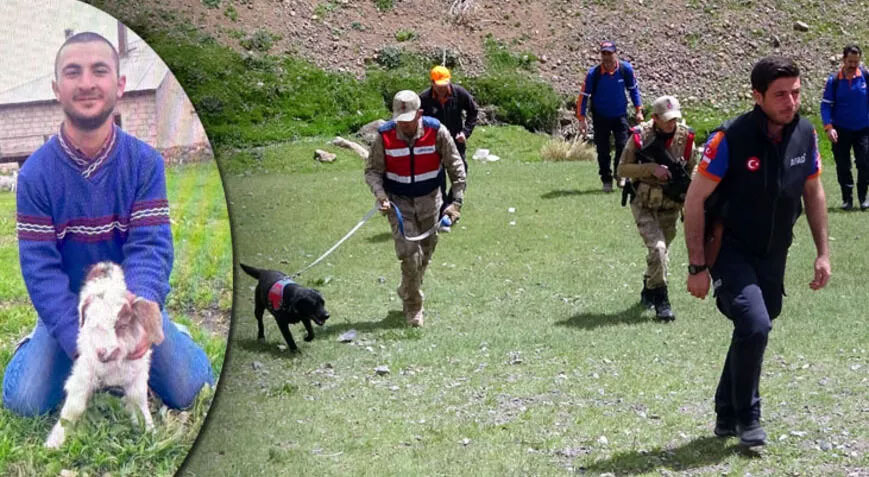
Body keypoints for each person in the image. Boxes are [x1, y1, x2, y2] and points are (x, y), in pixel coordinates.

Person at [3, 32, 214, 416]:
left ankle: (173, 330)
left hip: (130, 307)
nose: (86, 83)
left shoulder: (144, 164)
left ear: (119, 85)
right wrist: (81, 340)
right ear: (56, 88)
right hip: (73, 309)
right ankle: (40, 338)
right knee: (24, 401)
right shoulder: (35, 175)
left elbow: (150, 247)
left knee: (190, 388)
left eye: (99, 71)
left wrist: (138, 319)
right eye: (73, 72)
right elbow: (40, 269)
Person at [684, 56, 830, 447]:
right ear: (757, 96)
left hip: (775, 250)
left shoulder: (805, 134)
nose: (791, 102)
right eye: (780, 95)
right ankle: (749, 416)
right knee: (755, 325)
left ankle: (725, 410)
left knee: (756, 326)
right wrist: (697, 266)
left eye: (796, 93)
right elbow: (693, 201)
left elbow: (813, 192)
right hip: (730, 249)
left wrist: (823, 252)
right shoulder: (729, 138)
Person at [364, 90, 466, 327]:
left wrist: (456, 201)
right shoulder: (385, 136)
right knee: (410, 255)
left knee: (425, 254)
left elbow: (455, 166)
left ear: (419, 113)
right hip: (398, 203)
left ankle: (407, 288)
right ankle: (413, 308)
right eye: (400, 121)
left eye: (409, 120)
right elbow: (373, 171)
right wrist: (380, 195)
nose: (405, 126)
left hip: (431, 200)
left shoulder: (436, 131)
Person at [617, 95, 696, 321]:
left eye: (675, 119)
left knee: (660, 253)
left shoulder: (686, 137)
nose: (672, 124)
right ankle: (662, 300)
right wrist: (650, 168)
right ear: (655, 118)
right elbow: (622, 169)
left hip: (671, 205)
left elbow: (695, 169)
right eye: (667, 120)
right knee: (658, 249)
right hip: (644, 203)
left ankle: (648, 287)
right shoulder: (640, 136)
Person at [576, 40, 644, 192]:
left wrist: (639, 109)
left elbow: (633, 90)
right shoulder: (594, 74)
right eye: (603, 53)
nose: (606, 57)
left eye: (609, 53)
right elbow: (583, 96)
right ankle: (606, 179)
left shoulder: (625, 69)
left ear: (615, 54)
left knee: (623, 146)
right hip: (600, 116)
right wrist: (582, 119)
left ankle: (619, 174)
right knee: (603, 150)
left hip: (620, 115)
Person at [419, 65, 478, 231]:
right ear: (432, 83)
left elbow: (473, 112)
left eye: (445, 84)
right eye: (439, 85)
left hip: (456, 144)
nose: (443, 89)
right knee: (438, 179)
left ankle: (453, 206)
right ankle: (443, 213)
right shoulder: (423, 99)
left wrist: (465, 133)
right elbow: (417, 121)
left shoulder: (459, 93)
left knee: (461, 174)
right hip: (433, 147)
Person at [820, 44, 869, 210]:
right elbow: (826, 105)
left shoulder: (865, 77)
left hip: (863, 129)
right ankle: (847, 200)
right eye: (850, 61)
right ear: (843, 60)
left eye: (856, 61)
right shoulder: (834, 81)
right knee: (843, 165)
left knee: (865, 162)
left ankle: (863, 198)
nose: (853, 65)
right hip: (840, 129)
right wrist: (829, 127)